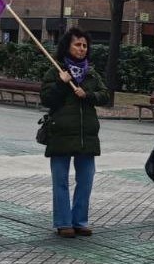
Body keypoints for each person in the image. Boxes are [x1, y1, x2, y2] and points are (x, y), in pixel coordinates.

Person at [40, 27, 110, 238]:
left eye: (84, 45)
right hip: (60, 133)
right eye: (77, 44)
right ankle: (63, 223)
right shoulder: (56, 71)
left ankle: (80, 221)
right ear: (67, 47)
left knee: (86, 180)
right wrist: (61, 83)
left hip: (86, 135)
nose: (81, 49)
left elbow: (104, 95)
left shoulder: (91, 73)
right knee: (60, 181)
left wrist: (87, 95)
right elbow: (47, 99)